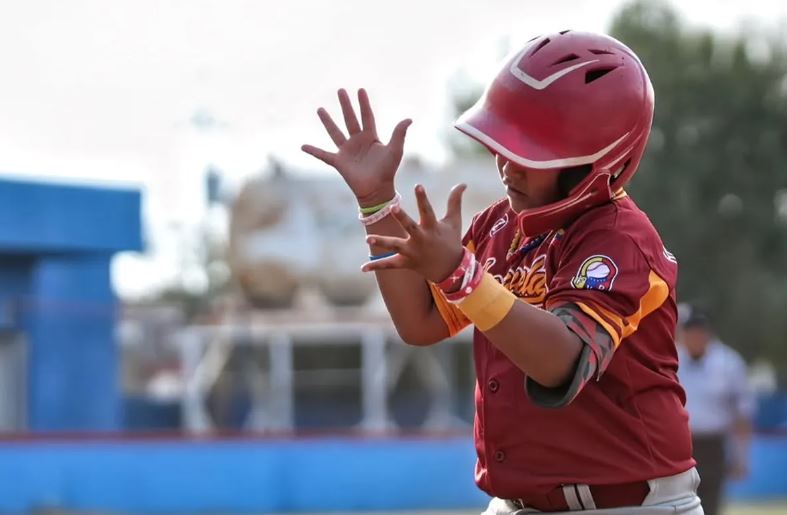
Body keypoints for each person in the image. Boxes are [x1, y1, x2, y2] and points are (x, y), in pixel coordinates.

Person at [303, 30, 701, 514]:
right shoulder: (499, 225)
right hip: (517, 503)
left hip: (625, 505)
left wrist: (461, 276)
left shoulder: (621, 240)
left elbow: (560, 362)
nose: (507, 165)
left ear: (594, 161)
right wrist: (377, 201)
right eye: (503, 143)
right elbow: (420, 322)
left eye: (531, 151)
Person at [678, 307, 754, 515]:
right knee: (678, 502)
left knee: (710, 504)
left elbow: (742, 413)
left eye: (699, 332)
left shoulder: (728, 363)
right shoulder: (672, 359)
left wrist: (741, 457)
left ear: (708, 334)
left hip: (713, 444)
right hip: (680, 444)